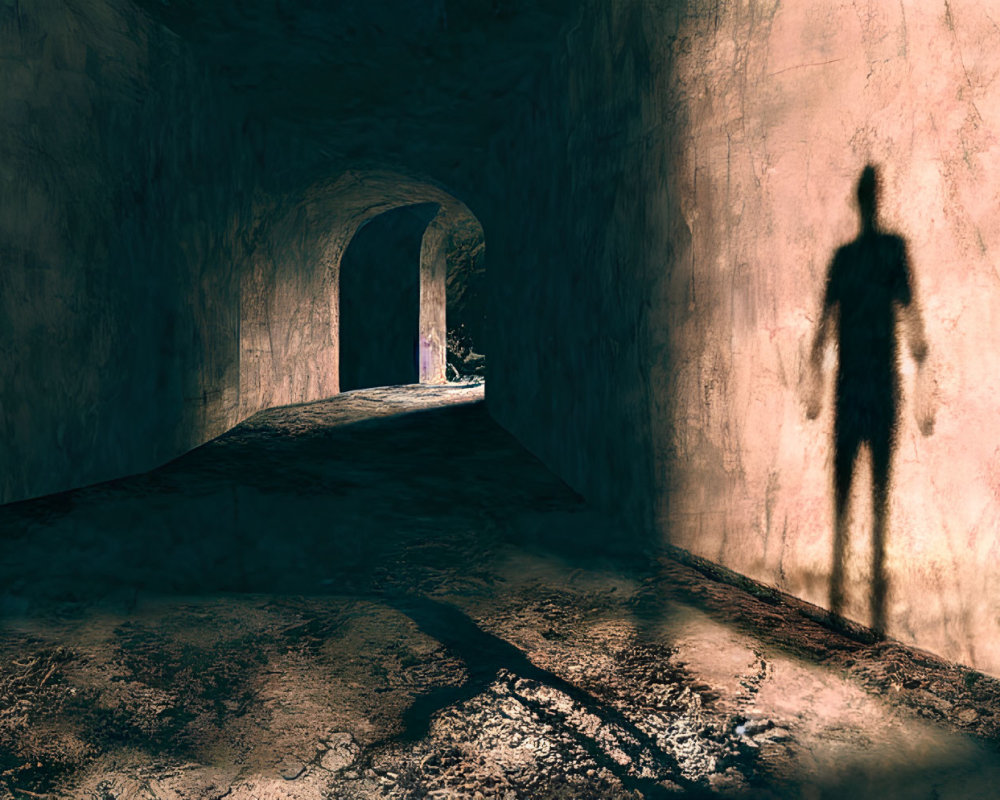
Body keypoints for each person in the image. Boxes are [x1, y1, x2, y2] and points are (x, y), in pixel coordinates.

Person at [806, 164, 932, 635]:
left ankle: (851, 592)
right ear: (871, 199)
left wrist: (816, 384)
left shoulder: (859, 257)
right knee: (863, 485)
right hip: (869, 382)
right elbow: (908, 319)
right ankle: (856, 592)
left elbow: (825, 328)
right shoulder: (881, 253)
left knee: (864, 486)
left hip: (866, 382)